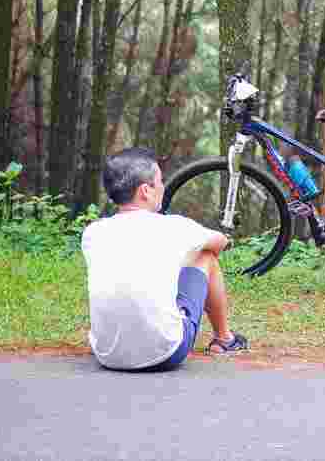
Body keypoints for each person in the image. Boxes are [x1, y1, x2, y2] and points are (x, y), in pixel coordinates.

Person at [81, 148, 248, 370]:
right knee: (206, 257)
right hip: (165, 354)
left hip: (107, 354)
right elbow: (219, 243)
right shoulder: (174, 227)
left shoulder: (93, 232)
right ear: (145, 191)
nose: (162, 187)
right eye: (159, 181)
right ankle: (225, 339)